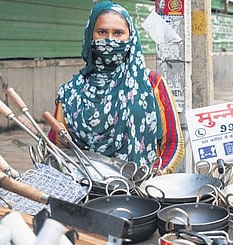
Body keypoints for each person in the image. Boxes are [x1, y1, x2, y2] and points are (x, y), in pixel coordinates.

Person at [48, 1, 184, 174]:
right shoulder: (71, 92)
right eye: (102, 32)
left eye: (118, 33)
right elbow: (56, 147)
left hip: (141, 191)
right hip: (88, 188)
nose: (110, 40)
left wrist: (153, 177)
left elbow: (174, 144)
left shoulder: (152, 84)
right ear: (90, 35)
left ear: (130, 37)